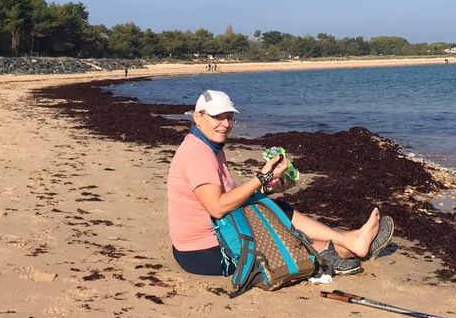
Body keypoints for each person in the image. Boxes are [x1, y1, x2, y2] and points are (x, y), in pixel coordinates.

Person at [167, 89, 395, 276]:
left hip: (215, 237)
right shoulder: (199, 154)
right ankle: (348, 246)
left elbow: (229, 197)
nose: (225, 124)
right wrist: (261, 177)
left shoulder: (209, 146)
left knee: (275, 208)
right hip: (207, 251)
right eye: (218, 117)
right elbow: (217, 207)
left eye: (230, 117)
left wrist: (269, 184)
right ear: (198, 116)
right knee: (292, 242)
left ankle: (350, 241)